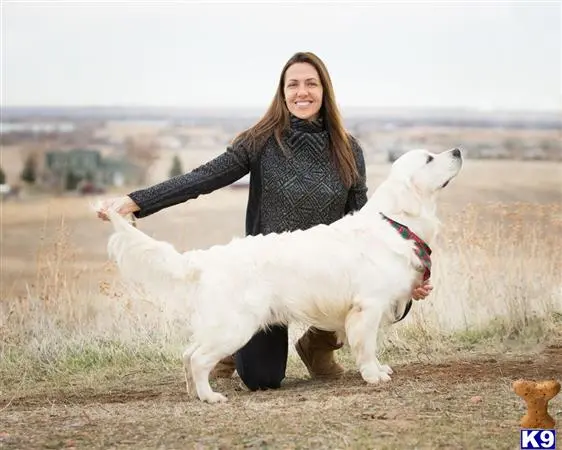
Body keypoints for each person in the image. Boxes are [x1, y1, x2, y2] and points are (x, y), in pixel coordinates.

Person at [97, 51, 432, 391]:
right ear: (283, 92)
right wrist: (136, 202)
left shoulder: (348, 148)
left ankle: (317, 344)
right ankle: (232, 343)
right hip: (266, 277)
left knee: (391, 295)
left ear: (324, 90)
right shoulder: (259, 141)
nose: (302, 92)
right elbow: (203, 178)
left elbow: (364, 220)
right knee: (262, 379)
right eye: (293, 85)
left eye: (311, 84)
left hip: (326, 275)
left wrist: (407, 274)